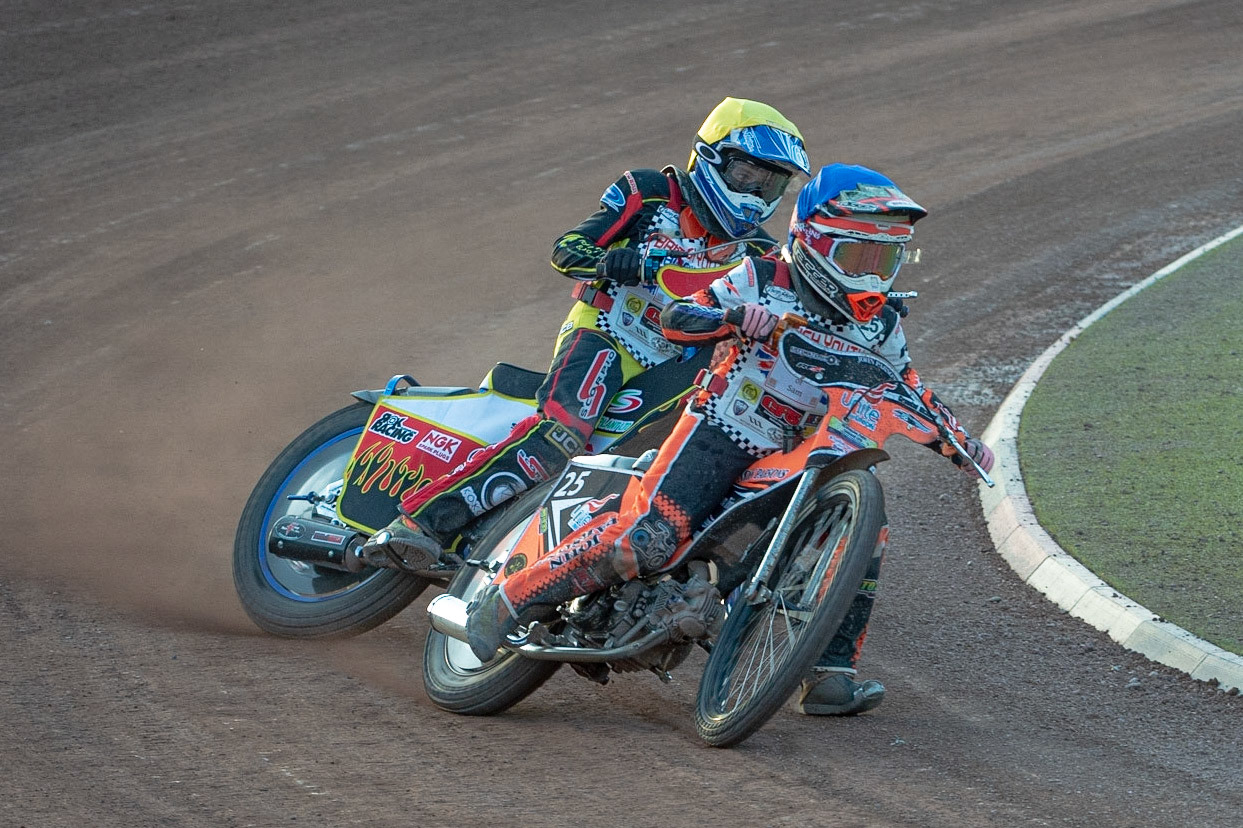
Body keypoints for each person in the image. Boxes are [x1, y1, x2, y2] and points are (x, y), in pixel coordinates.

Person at [464, 163, 996, 716]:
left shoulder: (882, 325)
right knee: (650, 535)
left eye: (883, 260)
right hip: (724, 427)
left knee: (863, 527)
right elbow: (678, 315)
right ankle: (509, 600)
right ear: (814, 242)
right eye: (857, 258)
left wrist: (962, 443)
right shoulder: (763, 276)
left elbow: (908, 385)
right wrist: (735, 315)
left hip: (800, 448)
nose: (871, 276)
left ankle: (830, 672)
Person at [359, 98, 811, 572]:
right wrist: (612, 262)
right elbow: (566, 248)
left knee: (694, 447)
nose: (757, 190)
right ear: (712, 157)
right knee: (562, 434)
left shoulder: (760, 251)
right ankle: (420, 524)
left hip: (675, 364)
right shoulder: (652, 191)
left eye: (771, 181)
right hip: (608, 330)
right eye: (747, 175)